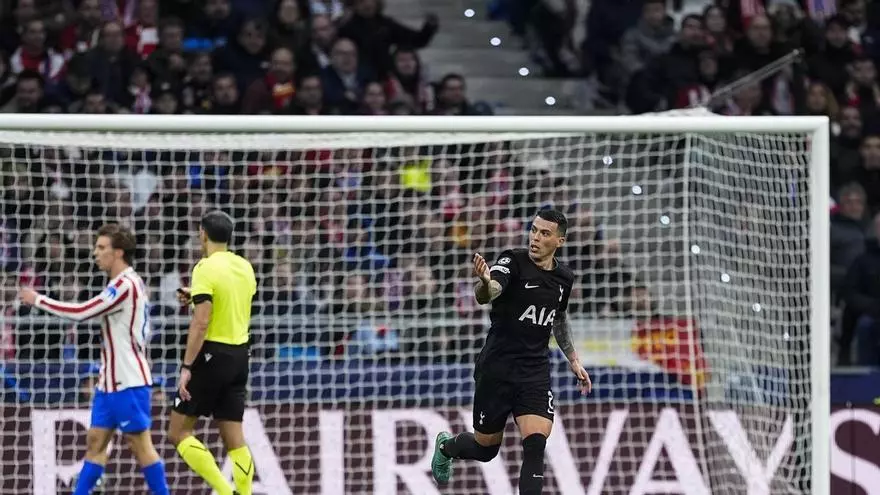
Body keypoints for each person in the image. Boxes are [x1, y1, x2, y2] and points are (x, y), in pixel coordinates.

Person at [430, 209, 592, 494]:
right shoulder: (512, 260)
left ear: (560, 241)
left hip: (534, 372)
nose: (535, 238)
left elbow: (559, 317)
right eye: (533, 230)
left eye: (544, 233)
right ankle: (446, 446)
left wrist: (574, 359)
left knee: (535, 445)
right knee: (485, 449)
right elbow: (490, 292)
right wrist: (483, 282)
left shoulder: (564, 278)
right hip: (497, 368)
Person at [18, 224, 168, 495]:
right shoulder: (118, 284)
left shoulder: (126, 284)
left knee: (141, 446)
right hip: (109, 382)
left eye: (101, 248)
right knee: (96, 443)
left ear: (118, 252)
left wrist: (38, 299)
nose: (95, 253)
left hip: (129, 381)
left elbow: (83, 311)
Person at [168, 210, 257, 495]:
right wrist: (195, 294)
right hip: (240, 356)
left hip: (212, 354)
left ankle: (223, 490)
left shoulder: (204, 267)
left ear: (202, 234)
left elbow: (202, 322)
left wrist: (186, 366)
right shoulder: (245, 267)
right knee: (235, 437)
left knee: (178, 432)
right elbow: (229, 297)